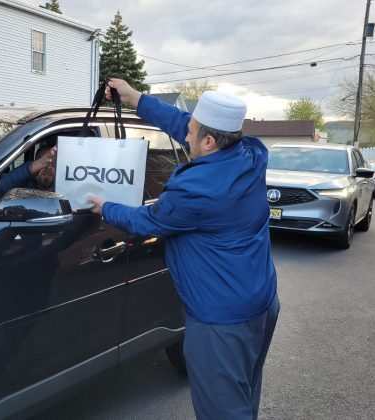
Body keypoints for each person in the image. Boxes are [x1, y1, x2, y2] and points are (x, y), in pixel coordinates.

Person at [87, 78, 279, 420]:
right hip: (261, 302)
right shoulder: (248, 154)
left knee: (223, 412)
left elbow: (149, 220)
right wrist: (136, 98)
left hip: (221, 321)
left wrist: (106, 207)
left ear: (208, 141)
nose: (184, 135)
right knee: (243, 395)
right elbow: (182, 124)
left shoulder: (197, 191)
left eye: (191, 133)